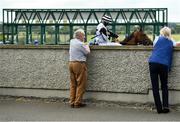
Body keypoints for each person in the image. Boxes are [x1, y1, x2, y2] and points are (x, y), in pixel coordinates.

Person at [148, 26, 178, 113]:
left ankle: (159, 108)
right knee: (164, 86)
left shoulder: (157, 39)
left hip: (153, 63)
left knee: (155, 87)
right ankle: (165, 107)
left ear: (161, 32)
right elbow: (176, 44)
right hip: (164, 65)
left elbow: (154, 45)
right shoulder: (172, 41)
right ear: (169, 33)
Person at [69, 28, 90, 108]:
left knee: (73, 84)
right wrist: (86, 45)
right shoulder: (81, 44)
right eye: (83, 35)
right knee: (81, 84)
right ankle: (77, 103)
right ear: (79, 36)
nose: (84, 37)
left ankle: (72, 101)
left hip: (71, 63)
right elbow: (87, 52)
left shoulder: (72, 41)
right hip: (79, 64)